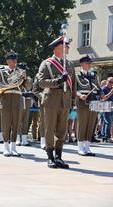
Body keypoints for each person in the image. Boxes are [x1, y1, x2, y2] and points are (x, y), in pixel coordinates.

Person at [38, 36, 75, 169]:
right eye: (66, 46)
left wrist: (73, 100)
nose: (68, 48)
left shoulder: (69, 64)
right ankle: (50, 157)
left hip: (65, 101)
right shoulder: (47, 63)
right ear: (58, 48)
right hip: (51, 101)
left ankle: (59, 157)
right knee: (50, 129)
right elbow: (41, 82)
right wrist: (58, 81)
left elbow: (73, 84)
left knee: (61, 130)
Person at [0, 51, 31, 157]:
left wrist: (26, 78)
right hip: (5, 98)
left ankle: (13, 147)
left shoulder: (20, 72)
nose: (14, 61)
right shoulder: (1, 72)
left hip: (17, 98)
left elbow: (28, 86)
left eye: (15, 60)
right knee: (5, 123)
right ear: (7, 61)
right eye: (12, 60)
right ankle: (6, 147)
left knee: (16, 123)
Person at [75, 55, 101, 156]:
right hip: (82, 102)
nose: (89, 65)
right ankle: (80, 147)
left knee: (91, 125)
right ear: (82, 64)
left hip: (93, 102)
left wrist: (102, 94)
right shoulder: (77, 75)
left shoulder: (94, 75)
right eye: (88, 63)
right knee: (82, 125)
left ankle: (87, 147)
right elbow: (74, 90)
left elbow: (99, 88)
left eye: (90, 63)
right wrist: (80, 95)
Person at [15, 62, 33, 146]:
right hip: (18, 100)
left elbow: (28, 86)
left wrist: (25, 78)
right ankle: (17, 138)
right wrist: (20, 77)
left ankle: (25, 139)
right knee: (18, 120)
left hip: (27, 100)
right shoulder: (15, 77)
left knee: (26, 121)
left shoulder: (28, 78)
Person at [32, 73, 46, 149]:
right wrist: (42, 96)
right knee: (43, 121)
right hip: (44, 100)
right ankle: (42, 140)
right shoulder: (39, 75)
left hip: (55, 100)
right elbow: (35, 90)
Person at [101, 77, 113, 142]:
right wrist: (111, 93)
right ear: (107, 81)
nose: (111, 84)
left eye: (112, 83)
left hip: (111, 107)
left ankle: (104, 136)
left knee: (108, 122)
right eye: (110, 82)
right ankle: (106, 136)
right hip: (105, 107)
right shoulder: (103, 89)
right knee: (108, 122)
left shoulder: (111, 89)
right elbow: (103, 99)